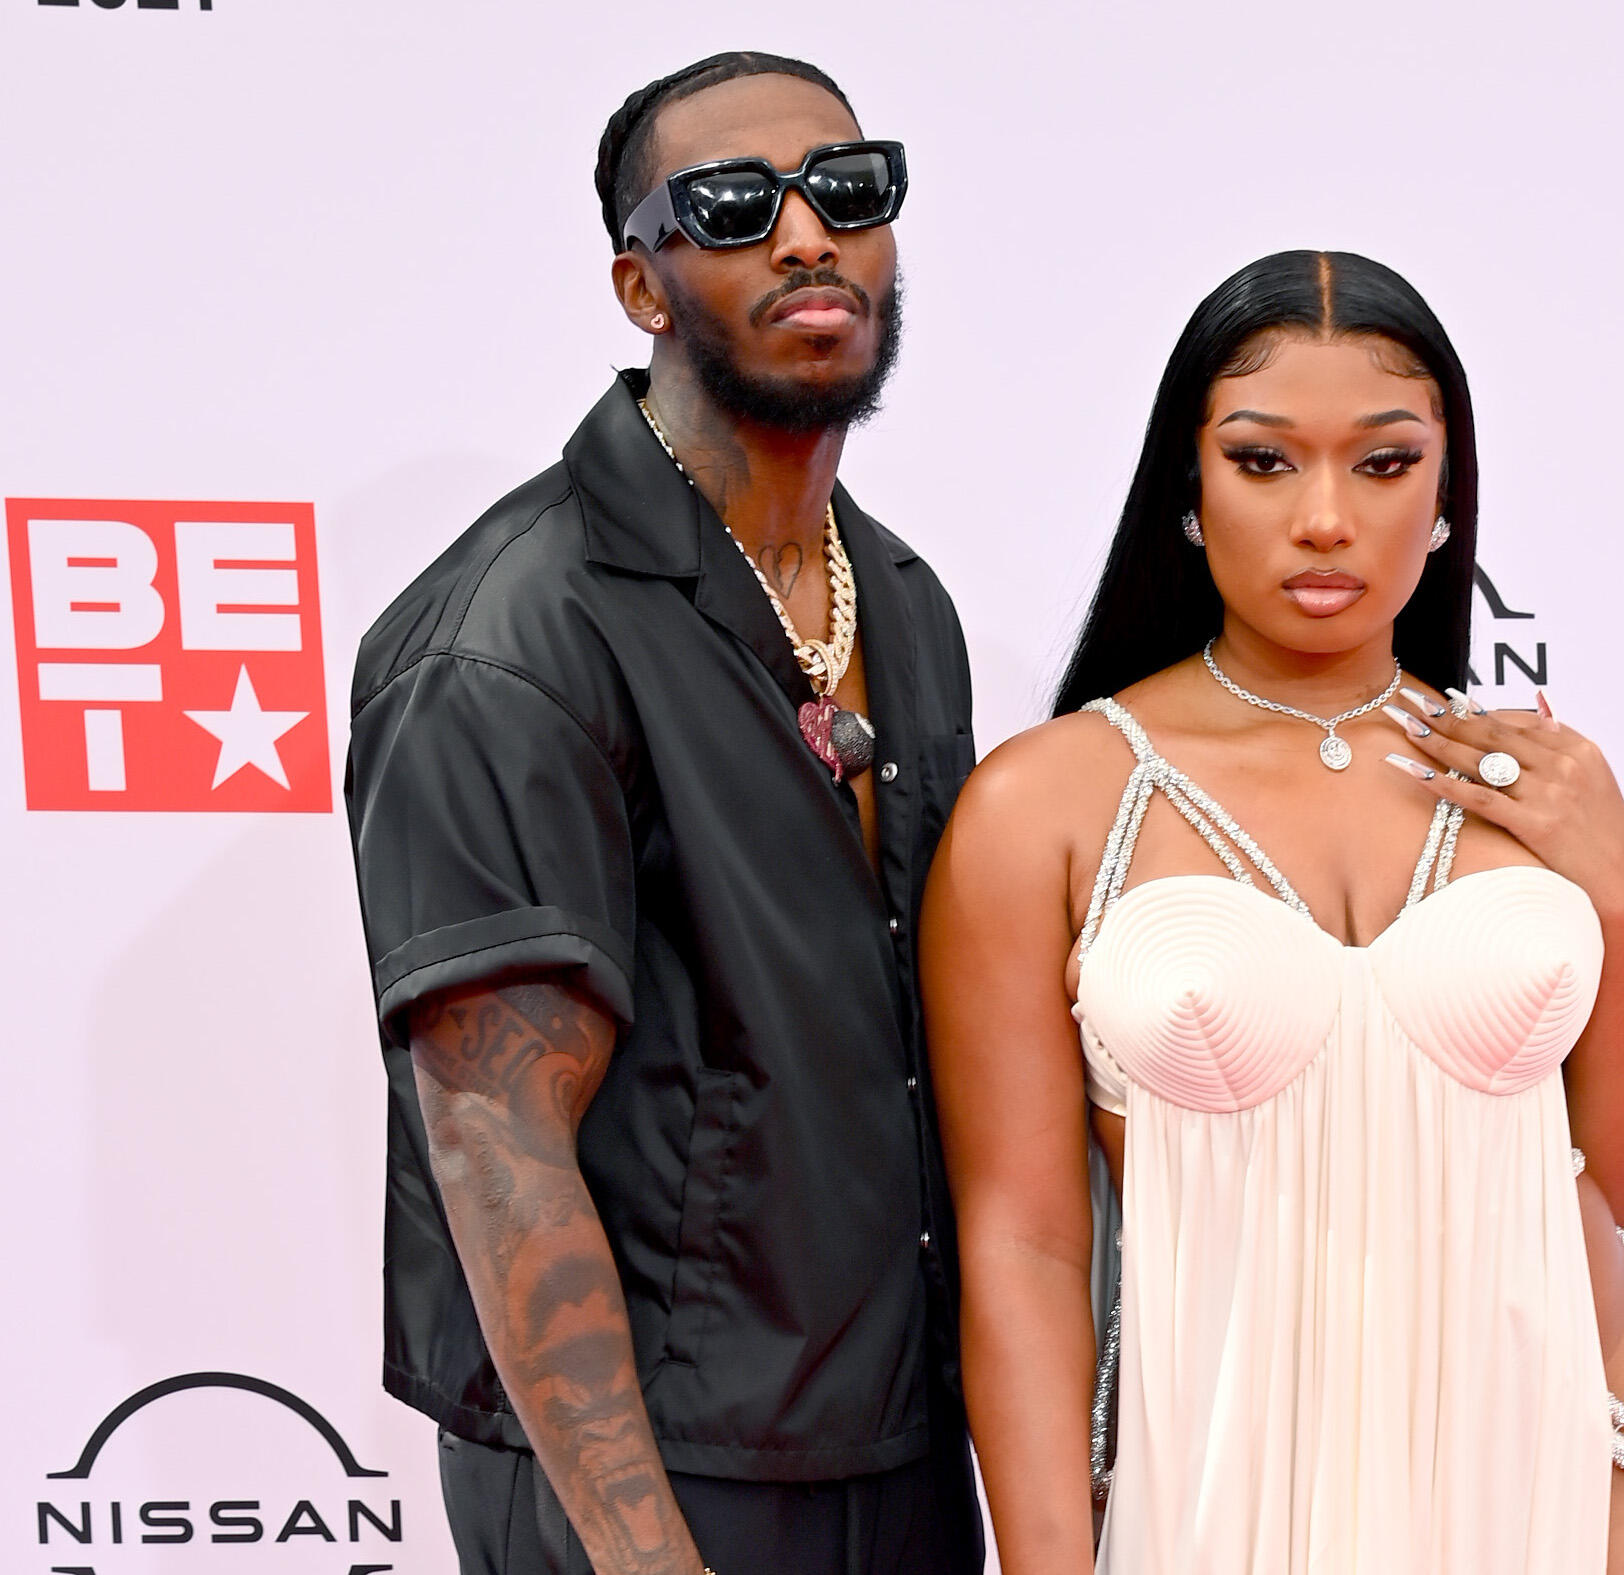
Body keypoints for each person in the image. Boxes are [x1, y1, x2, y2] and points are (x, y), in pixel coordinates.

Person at [922, 251, 1624, 1574]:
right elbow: (1022, 1246)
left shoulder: (1529, 784)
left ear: (1443, 496)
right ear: (1188, 489)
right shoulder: (1049, 803)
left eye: (1383, 464)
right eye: (1263, 461)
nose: (1325, 520)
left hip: (1595, 1470)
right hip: (1228, 1501)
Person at [344, 52, 982, 1575]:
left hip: (897, 1454)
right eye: (734, 206)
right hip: (642, 1488)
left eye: (848, 192)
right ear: (640, 283)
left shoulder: (902, 598)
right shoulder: (508, 640)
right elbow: (496, 1138)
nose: (806, 235)